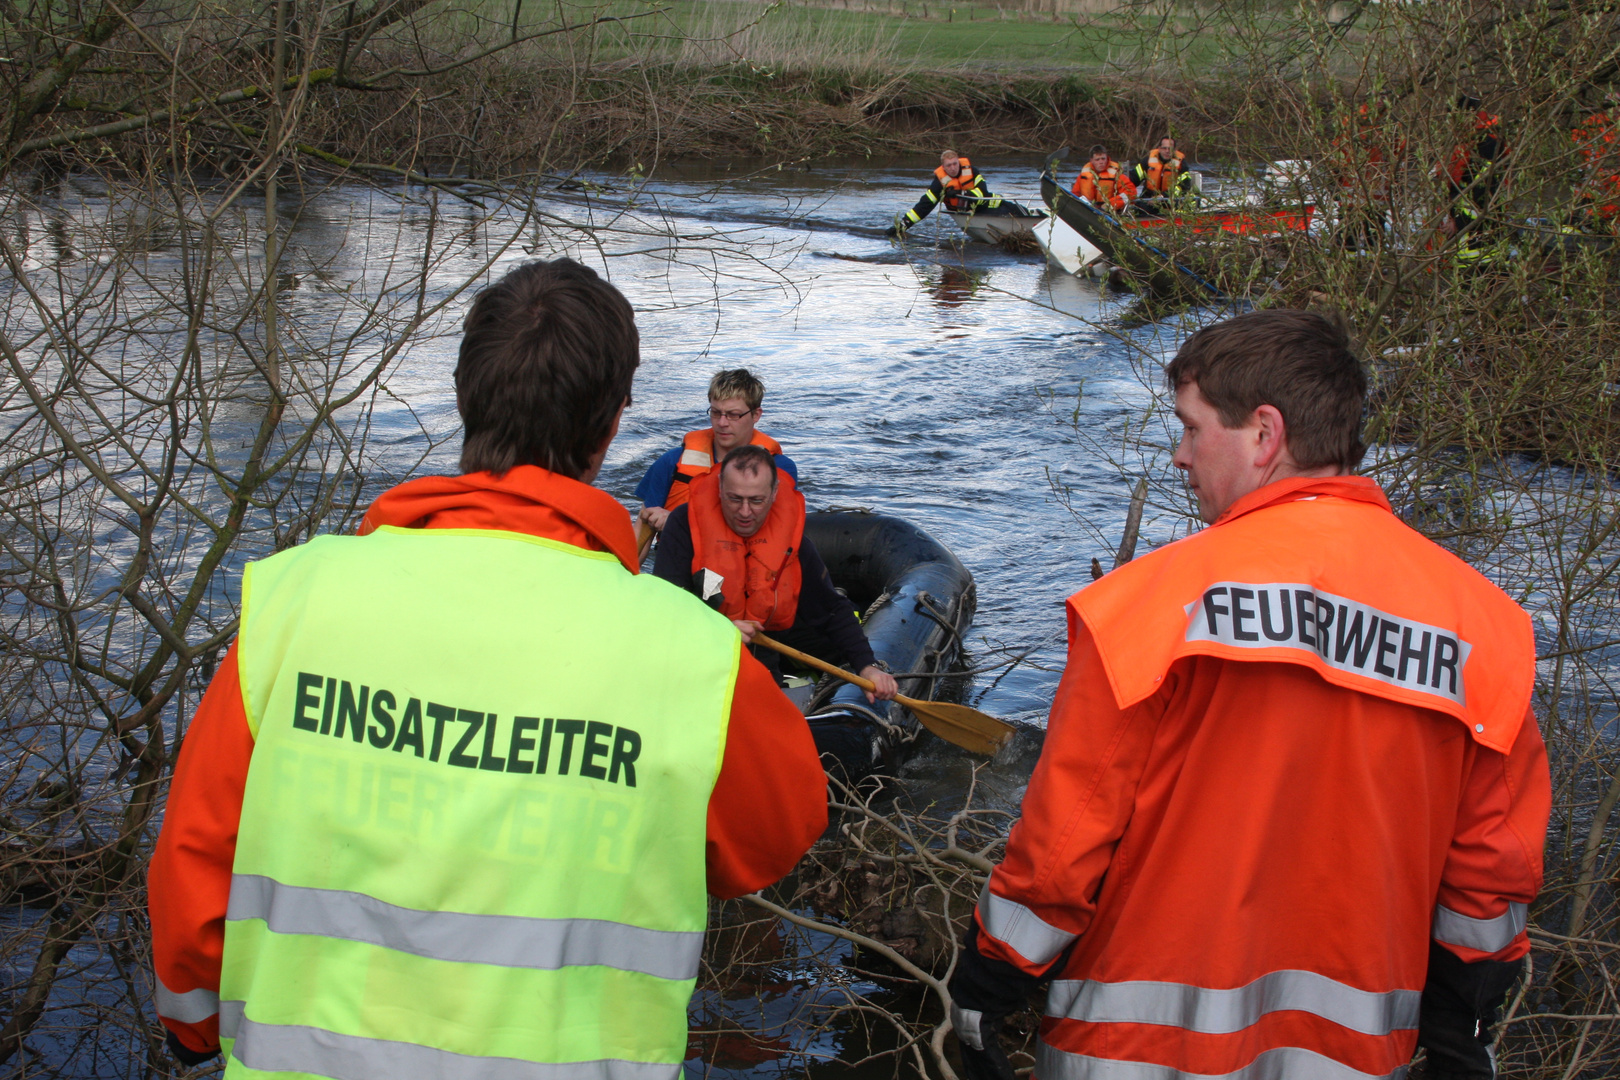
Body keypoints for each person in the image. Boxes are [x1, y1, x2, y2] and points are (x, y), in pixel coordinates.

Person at [147, 259, 829, 1078]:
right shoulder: (693, 658)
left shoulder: (292, 604)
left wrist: (193, 1041)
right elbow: (772, 839)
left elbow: (192, 874)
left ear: (467, 397)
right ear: (609, 427)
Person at [947, 309, 1549, 1080]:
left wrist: (989, 982)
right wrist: (1463, 1015)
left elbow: (1065, 842)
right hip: (1358, 1056)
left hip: (1133, 1050)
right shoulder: (1484, 629)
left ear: (1264, 435)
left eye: (1192, 429)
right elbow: (1491, 871)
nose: (1178, 456)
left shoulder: (1148, 609)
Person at [653, 445, 899, 705]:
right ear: (719, 490)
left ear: (773, 494)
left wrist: (867, 665)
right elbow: (666, 610)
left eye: (756, 501)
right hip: (696, 663)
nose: (745, 512)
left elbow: (830, 609)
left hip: (760, 666)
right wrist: (719, 631)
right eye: (735, 499)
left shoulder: (790, 540)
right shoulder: (684, 525)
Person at [635, 367, 796, 535]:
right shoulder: (671, 462)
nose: (722, 423)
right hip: (680, 557)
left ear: (756, 415)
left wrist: (678, 520)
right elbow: (641, 529)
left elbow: (778, 529)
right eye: (716, 413)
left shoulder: (780, 469)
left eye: (733, 415)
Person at [1434, 94, 1507, 253]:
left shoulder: (1486, 144)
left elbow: (1485, 191)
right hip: (1466, 223)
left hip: (1476, 231)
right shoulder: (1468, 140)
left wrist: (1459, 223)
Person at [887, 149, 1002, 237]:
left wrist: (960, 193)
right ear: (943, 167)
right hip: (971, 213)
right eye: (949, 165)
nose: (953, 168)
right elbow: (924, 206)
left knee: (1016, 210)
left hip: (991, 204)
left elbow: (983, 192)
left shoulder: (972, 171)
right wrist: (903, 225)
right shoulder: (939, 184)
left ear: (959, 162)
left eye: (955, 163)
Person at [1572, 98, 1620, 229]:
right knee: (1585, 200)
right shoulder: (1593, 123)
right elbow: (1576, 142)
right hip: (1594, 172)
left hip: (1603, 173)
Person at [1127, 136, 1194, 212]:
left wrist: (1162, 197)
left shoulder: (1182, 165)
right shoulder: (1148, 162)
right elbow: (1134, 178)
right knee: (1141, 208)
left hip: (1171, 200)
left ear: (1175, 150)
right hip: (1149, 200)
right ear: (1159, 148)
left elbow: (1183, 186)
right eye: (1164, 148)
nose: (1167, 151)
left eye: (1170, 149)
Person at [1071, 144, 1136, 213]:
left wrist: (1110, 204)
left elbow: (1131, 192)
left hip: (1109, 212)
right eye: (1097, 160)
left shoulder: (1116, 174)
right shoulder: (1084, 175)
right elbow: (1075, 194)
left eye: (1103, 159)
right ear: (1091, 160)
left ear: (1107, 158)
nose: (1101, 162)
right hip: (1088, 210)